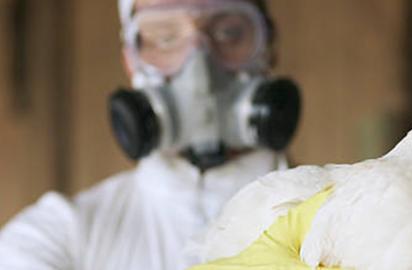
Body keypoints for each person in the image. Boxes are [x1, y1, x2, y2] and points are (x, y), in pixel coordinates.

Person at [0, 0, 301, 269]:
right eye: (166, 38)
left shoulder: (338, 226)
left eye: (228, 32)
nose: (200, 71)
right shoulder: (56, 236)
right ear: (131, 61)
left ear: (268, 46)